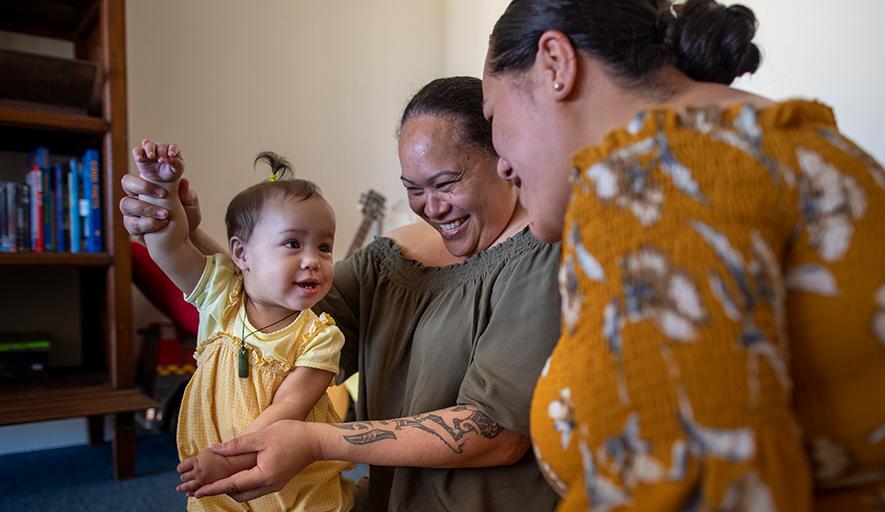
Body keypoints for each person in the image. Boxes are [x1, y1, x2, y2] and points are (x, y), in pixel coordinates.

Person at [480, 0, 885, 510]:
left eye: (491, 117)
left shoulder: (661, 172)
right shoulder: (754, 142)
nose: (501, 164)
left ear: (556, 62)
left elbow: (707, 491)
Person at [120, 77, 562, 511]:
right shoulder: (390, 258)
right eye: (413, 189)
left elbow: (496, 435)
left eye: (446, 183)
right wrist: (182, 230)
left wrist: (314, 440)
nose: (432, 207)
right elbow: (274, 321)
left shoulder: (543, 257)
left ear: (503, 160)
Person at [132, 145, 354, 511]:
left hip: (292, 481)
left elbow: (289, 407)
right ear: (241, 254)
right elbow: (170, 248)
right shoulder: (222, 296)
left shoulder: (321, 336)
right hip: (216, 466)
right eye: (293, 243)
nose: (313, 260)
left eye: (325, 246)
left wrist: (229, 458)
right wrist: (163, 188)